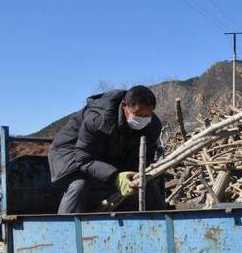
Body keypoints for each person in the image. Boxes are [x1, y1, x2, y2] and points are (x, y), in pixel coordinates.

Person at [48, 85, 164, 214]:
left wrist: (134, 175)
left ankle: (163, 226)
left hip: (109, 154)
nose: (142, 119)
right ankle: (66, 229)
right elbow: (84, 158)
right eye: (138, 114)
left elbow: (144, 159)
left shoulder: (152, 125)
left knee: (147, 184)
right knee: (78, 185)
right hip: (71, 153)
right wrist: (116, 177)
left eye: (147, 115)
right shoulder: (98, 120)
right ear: (124, 105)